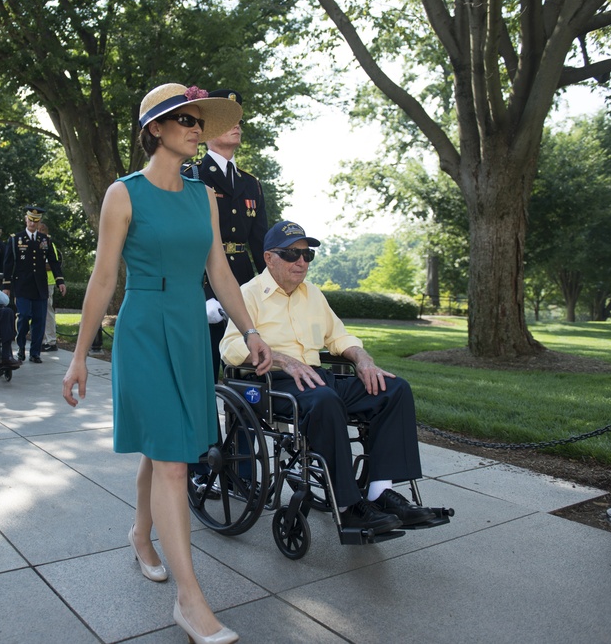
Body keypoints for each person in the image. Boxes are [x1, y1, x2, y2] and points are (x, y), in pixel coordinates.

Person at [62, 83, 271, 644]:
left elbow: (221, 273)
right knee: (175, 460)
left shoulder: (204, 195)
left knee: (169, 448)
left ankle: (140, 534)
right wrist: (80, 356)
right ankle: (190, 599)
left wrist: (249, 328)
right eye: (182, 118)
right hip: (145, 329)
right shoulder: (122, 194)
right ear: (154, 129)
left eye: (198, 119)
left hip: (188, 325)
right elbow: (105, 278)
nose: (194, 126)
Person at [219, 220, 437, 535]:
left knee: (394, 389)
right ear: (269, 258)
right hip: (273, 383)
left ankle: (380, 492)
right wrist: (280, 357)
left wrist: (363, 359)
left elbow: (339, 337)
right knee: (325, 400)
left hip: (318, 378)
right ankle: (348, 508)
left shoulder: (313, 295)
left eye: (308, 256)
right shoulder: (249, 294)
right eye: (292, 254)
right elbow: (228, 348)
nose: (301, 262)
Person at [182, 89, 268, 381]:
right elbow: (186, 243)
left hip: (244, 289)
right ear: (206, 132)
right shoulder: (191, 177)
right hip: (203, 291)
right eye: (228, 120)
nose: (237, 125)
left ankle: (242, 429)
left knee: (248, 379)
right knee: (204, 376)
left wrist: (269, 291)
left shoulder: (251, 184)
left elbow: (261, 246)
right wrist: (205, 294)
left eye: (239, 120)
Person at [4, 206, 65, 363]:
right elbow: (8, 264)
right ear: (26, 219)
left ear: (39, 223)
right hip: (23, 285)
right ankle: (21, 348)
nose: (33, 223)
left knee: (39, 319)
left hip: (40, 287)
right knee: (23, 317)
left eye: (36, 221)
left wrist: (60, 280)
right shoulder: (15, 239)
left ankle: (35, 352)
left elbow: (54, 261)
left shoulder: (45, 240)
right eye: (30, 220)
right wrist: (7, 286)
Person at [36, 221, 62, 352]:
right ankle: (42, 339)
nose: (39, 232)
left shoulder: (49, 245)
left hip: (48, 282)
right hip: (39, 282)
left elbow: (52, 264)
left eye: (41, 230)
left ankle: (50, 340)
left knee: (47, 312)